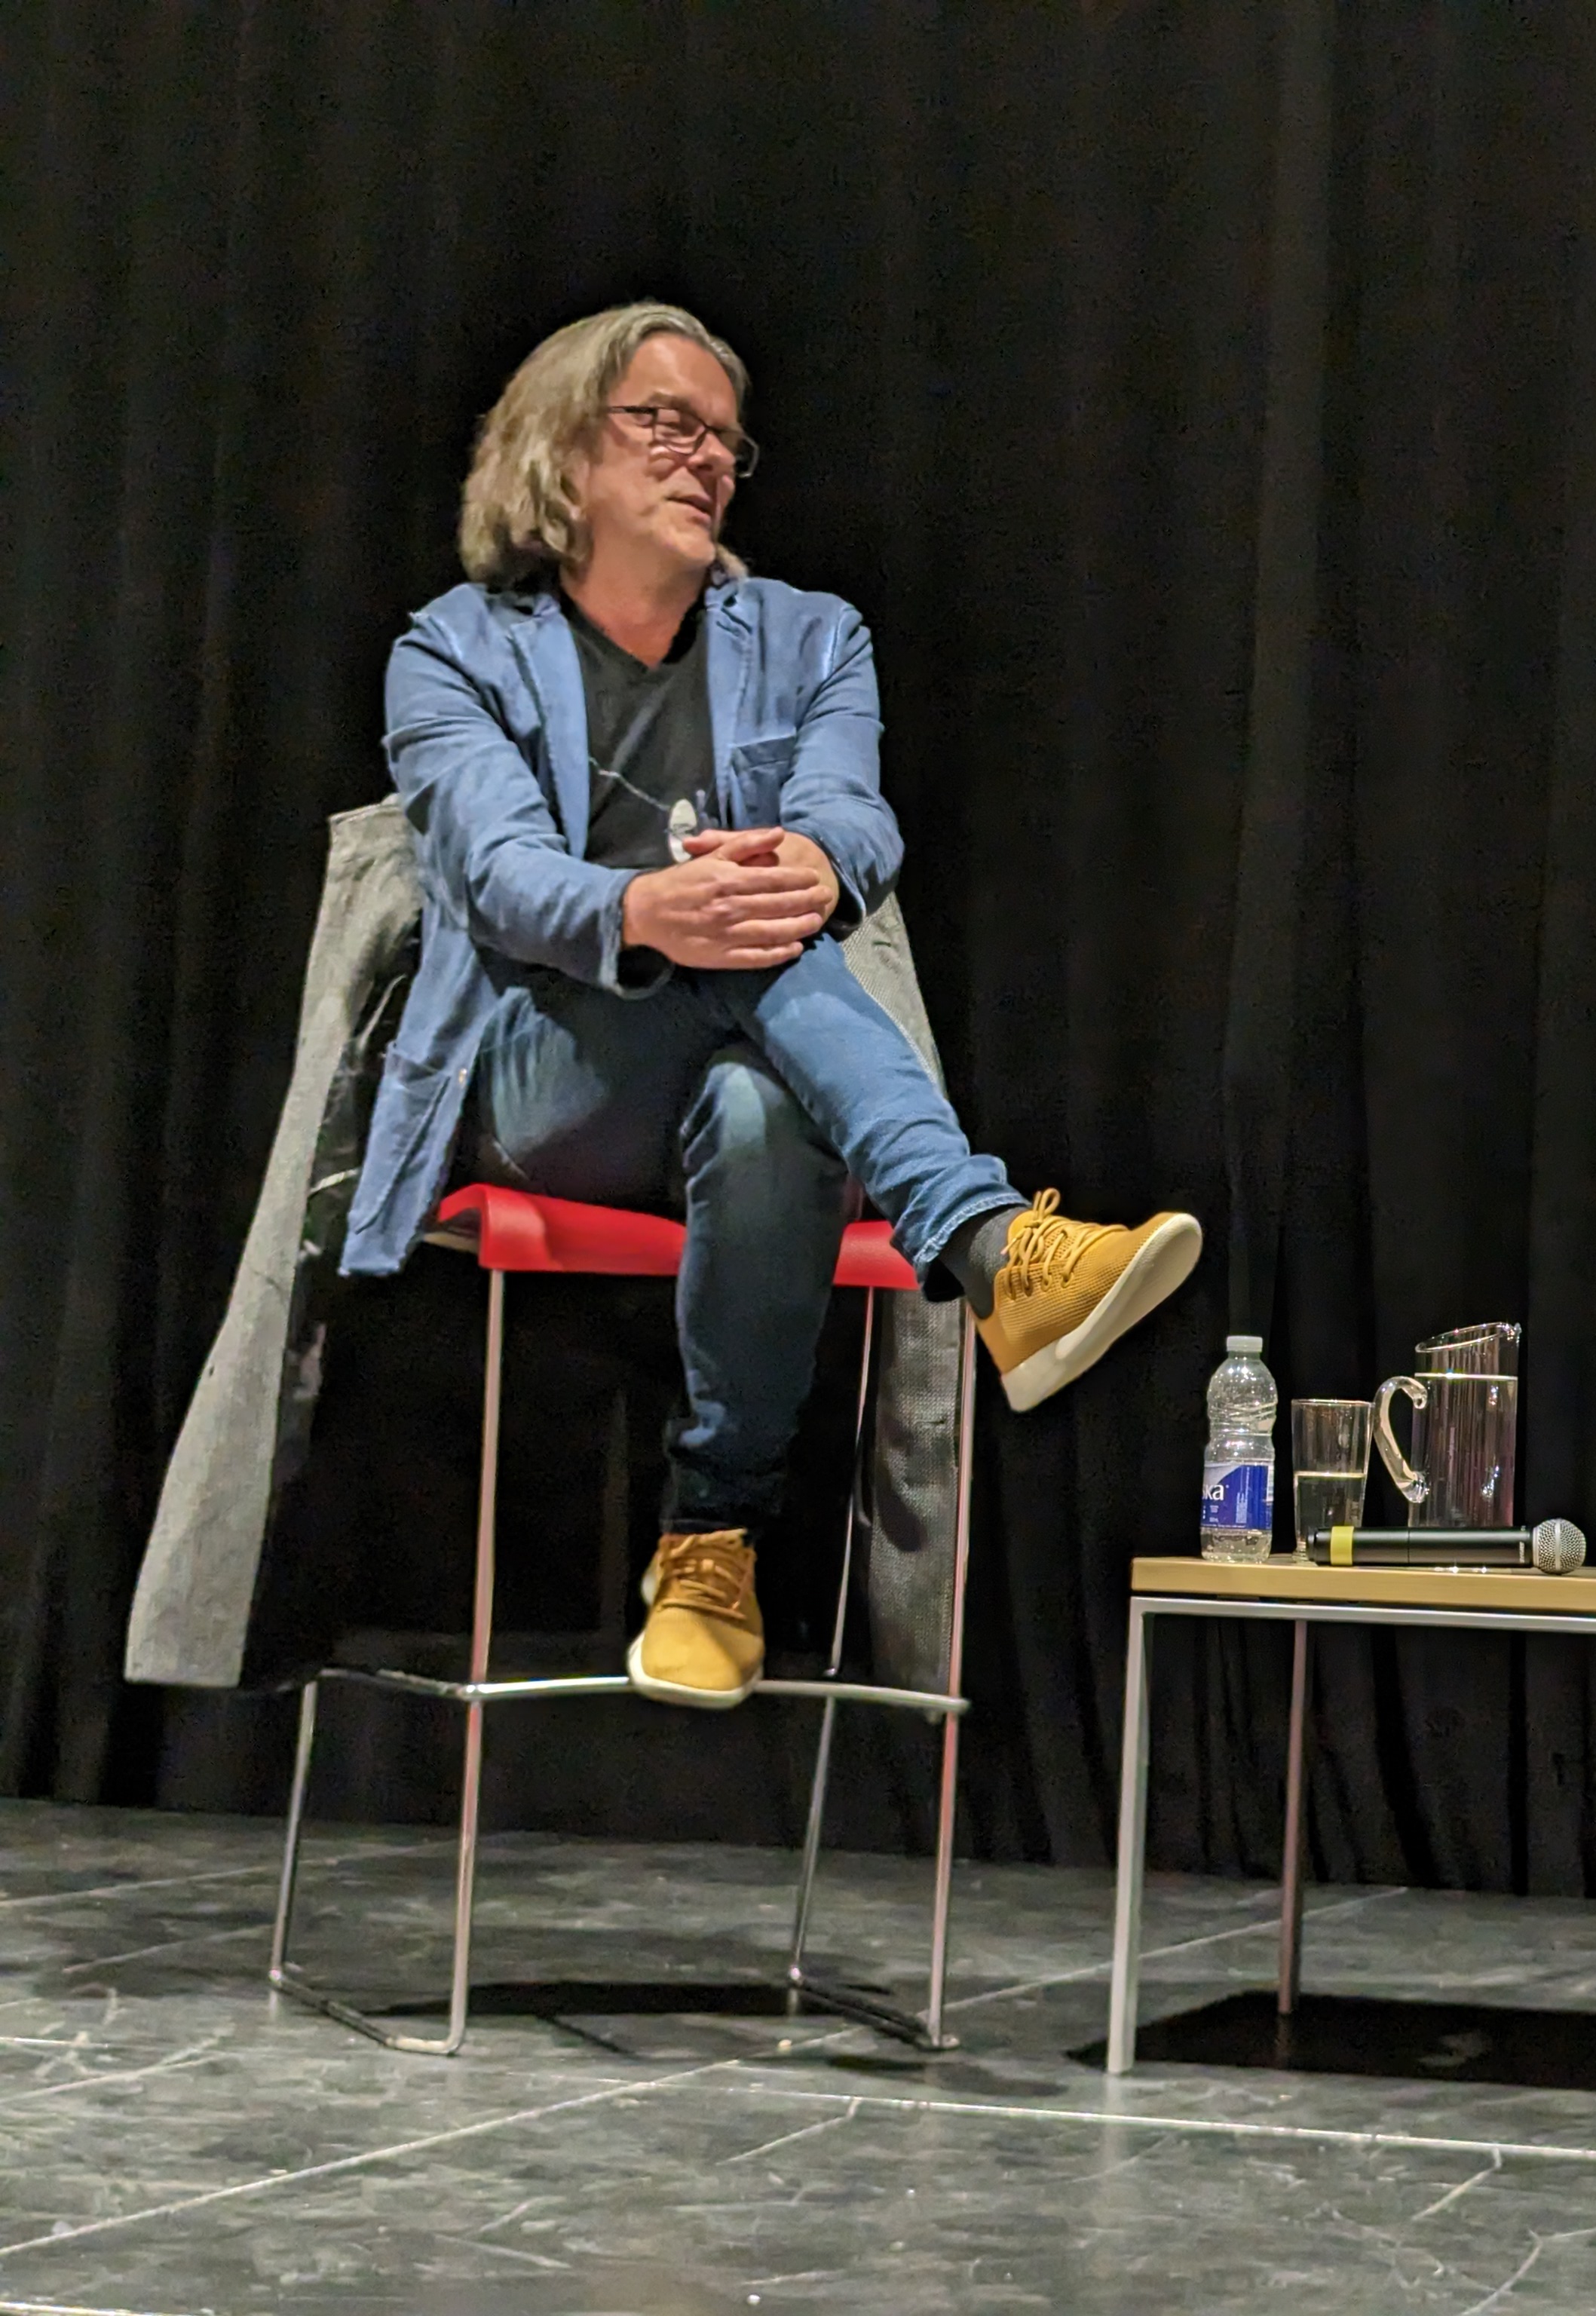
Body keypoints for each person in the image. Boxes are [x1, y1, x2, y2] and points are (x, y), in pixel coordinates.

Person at [338, 302, 1200, 1711]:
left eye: (726, 441)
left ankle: (709, 1546)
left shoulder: (809, 636)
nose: (706, 460)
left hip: (740, 1071)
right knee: (745, 943)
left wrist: (814, 858)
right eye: (665, 424)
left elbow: (853, 818)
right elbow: (493, 875)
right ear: (561, 451)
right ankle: (987, 1241)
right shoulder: (454, 648)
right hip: (542, 1076)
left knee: (762, 1112)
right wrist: (641, 910)